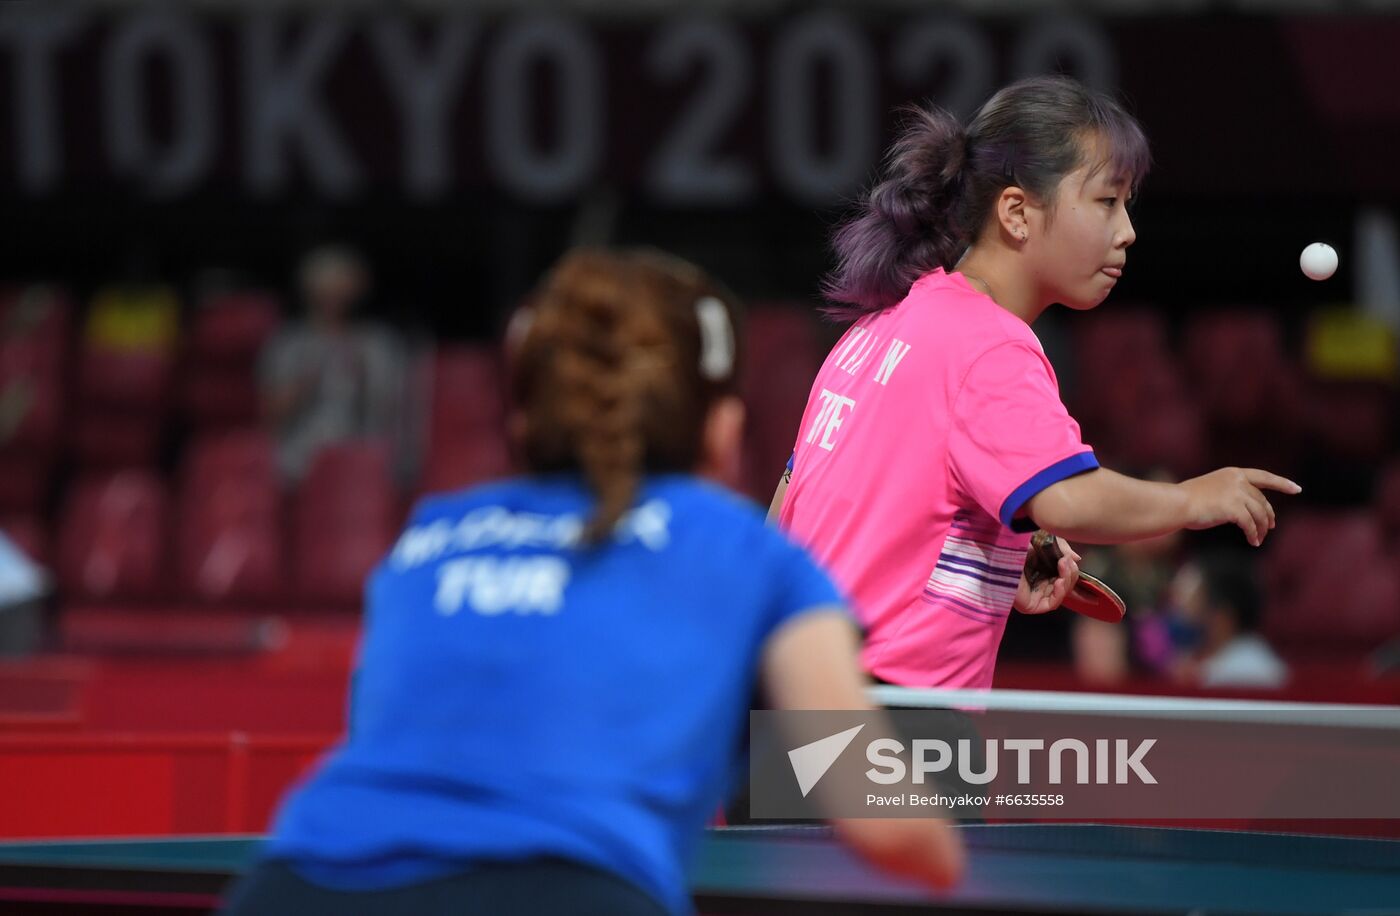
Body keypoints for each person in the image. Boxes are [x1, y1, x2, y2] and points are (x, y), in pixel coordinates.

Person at [221, 249, 963, 916]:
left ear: (527, 414)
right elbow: (886, 822)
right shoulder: (748, 553)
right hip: (567, 893)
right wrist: (948, 849)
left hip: (297, 888)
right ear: (721, 425)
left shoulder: (430, 537)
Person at [770, 75, 1301, 691]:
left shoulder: (874, 331)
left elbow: (793, 510)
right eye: (1107, 201)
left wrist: (995, 545)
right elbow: (1069, 499)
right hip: (892, 722)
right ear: (1018, 213)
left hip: (799, 706)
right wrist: (1195, 498)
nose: (1127, 230)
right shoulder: (989, 344)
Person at [258, 245, 404, 482]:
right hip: (300, 461)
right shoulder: (289, 343)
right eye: (326, 289)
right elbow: (270, 413)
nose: (333, 298)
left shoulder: (376, 343)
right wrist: (307, 381)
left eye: (341, 287)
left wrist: (361, 375)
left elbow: (393, 411)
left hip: (361, 458)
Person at [1166, 552, 1289, 689]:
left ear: (1222, 615)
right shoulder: (1185, 659)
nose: (1175, 609)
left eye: (1187, 599)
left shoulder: (1252, 670)